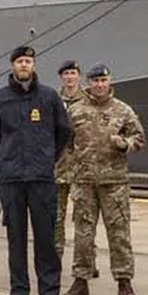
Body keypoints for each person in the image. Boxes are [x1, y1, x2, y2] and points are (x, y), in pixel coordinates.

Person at [0, 45, 72, 295]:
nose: (24, 65)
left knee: (46, 240)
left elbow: (63, 132)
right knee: (16, 241)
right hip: (12, 180)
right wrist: (9, 160)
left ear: (34, 65)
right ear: (12, 66)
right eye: (20, 61)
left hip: (41, 178)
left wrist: (46, 158)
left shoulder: (49, 97)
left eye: (28, 61)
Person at [64, 63, 144, 295]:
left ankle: (124, 281)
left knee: (119, 233)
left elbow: (138, 138)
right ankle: (81, 280)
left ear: (110, 82)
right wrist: (77, 165)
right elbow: (66, 142)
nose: (99, 85)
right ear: (88, 83)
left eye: (103, 80)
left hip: (115, 182)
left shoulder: (123, 110)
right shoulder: (75, 111)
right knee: (83, 234)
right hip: (84, 181)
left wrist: (125, 144)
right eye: (95, 81)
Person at [54, 60, 85, 267]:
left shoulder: (89, 100)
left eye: (73, 73)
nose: (69, 77)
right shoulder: (53, 100)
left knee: (84, 218)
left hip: (83, 169)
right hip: (58, 168)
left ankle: (85, 261)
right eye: (66, 74)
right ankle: (56, 258)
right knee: (56, 218)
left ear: (78, 76)